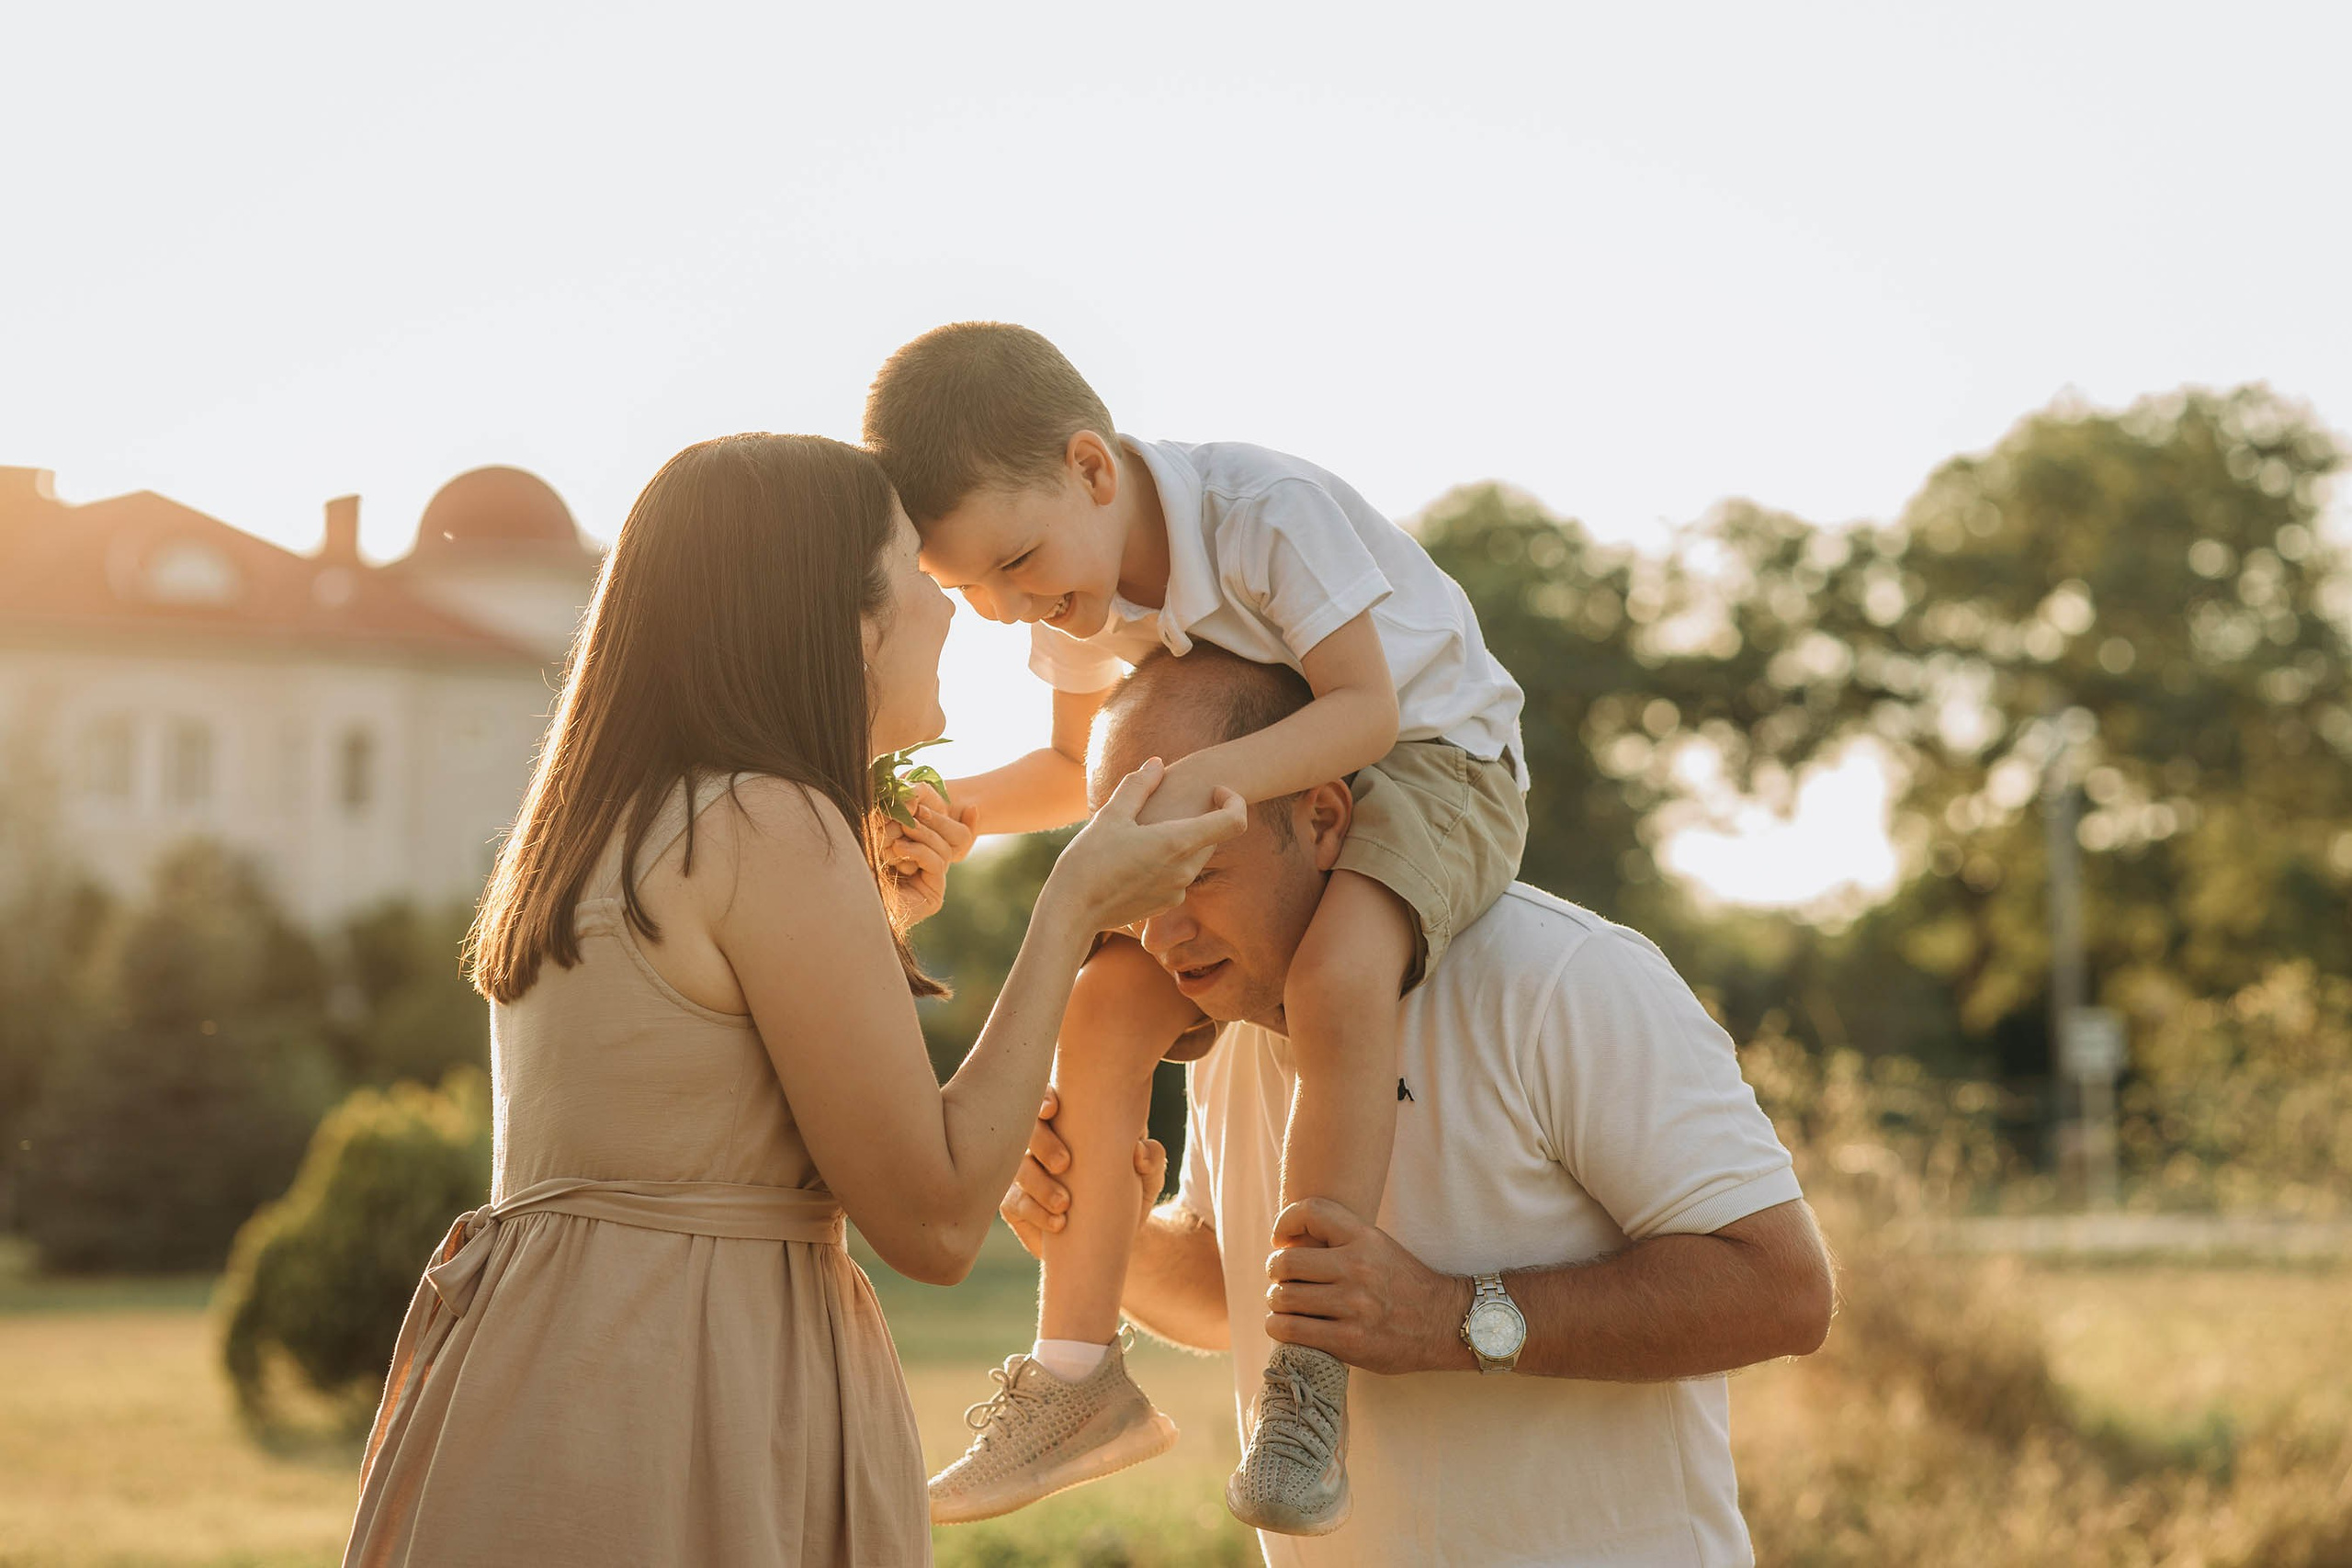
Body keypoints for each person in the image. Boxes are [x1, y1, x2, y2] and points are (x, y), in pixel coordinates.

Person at [340, 434, 1246, 1568]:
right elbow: (933, 1219)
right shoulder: (769, 821)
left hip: (550, 1376)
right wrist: (1069, 913)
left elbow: (694, 1099)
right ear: (840, 617)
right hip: (691, 1387)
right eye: (916, 572)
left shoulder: (617, 821)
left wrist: (878, 933)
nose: (956, 609)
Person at [864, 322, 1529, 1533]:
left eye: (1018, 562)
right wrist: (957, 812)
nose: (1018, 608)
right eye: (976, 594)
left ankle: (1308, 1370)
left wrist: (1195, 785)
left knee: (1337, 969)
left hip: (1435, 761)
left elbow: (1367, 711)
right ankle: (1074, 1378)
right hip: (1251, 788)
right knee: (1103, 1002)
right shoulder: (1062, 589)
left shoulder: (1262, 514)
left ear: (1093, 467)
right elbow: (1076, 770)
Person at [1002, 646, 1837, 1567]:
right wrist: (1098, 1232)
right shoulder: (1226, 1016)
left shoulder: (1561, 975)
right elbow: (1238, 1296)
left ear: (1322, 818)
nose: (1161, 932)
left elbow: (1782, 1289)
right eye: (1136, 887)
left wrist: (1449, 1317)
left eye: (1197, 871)